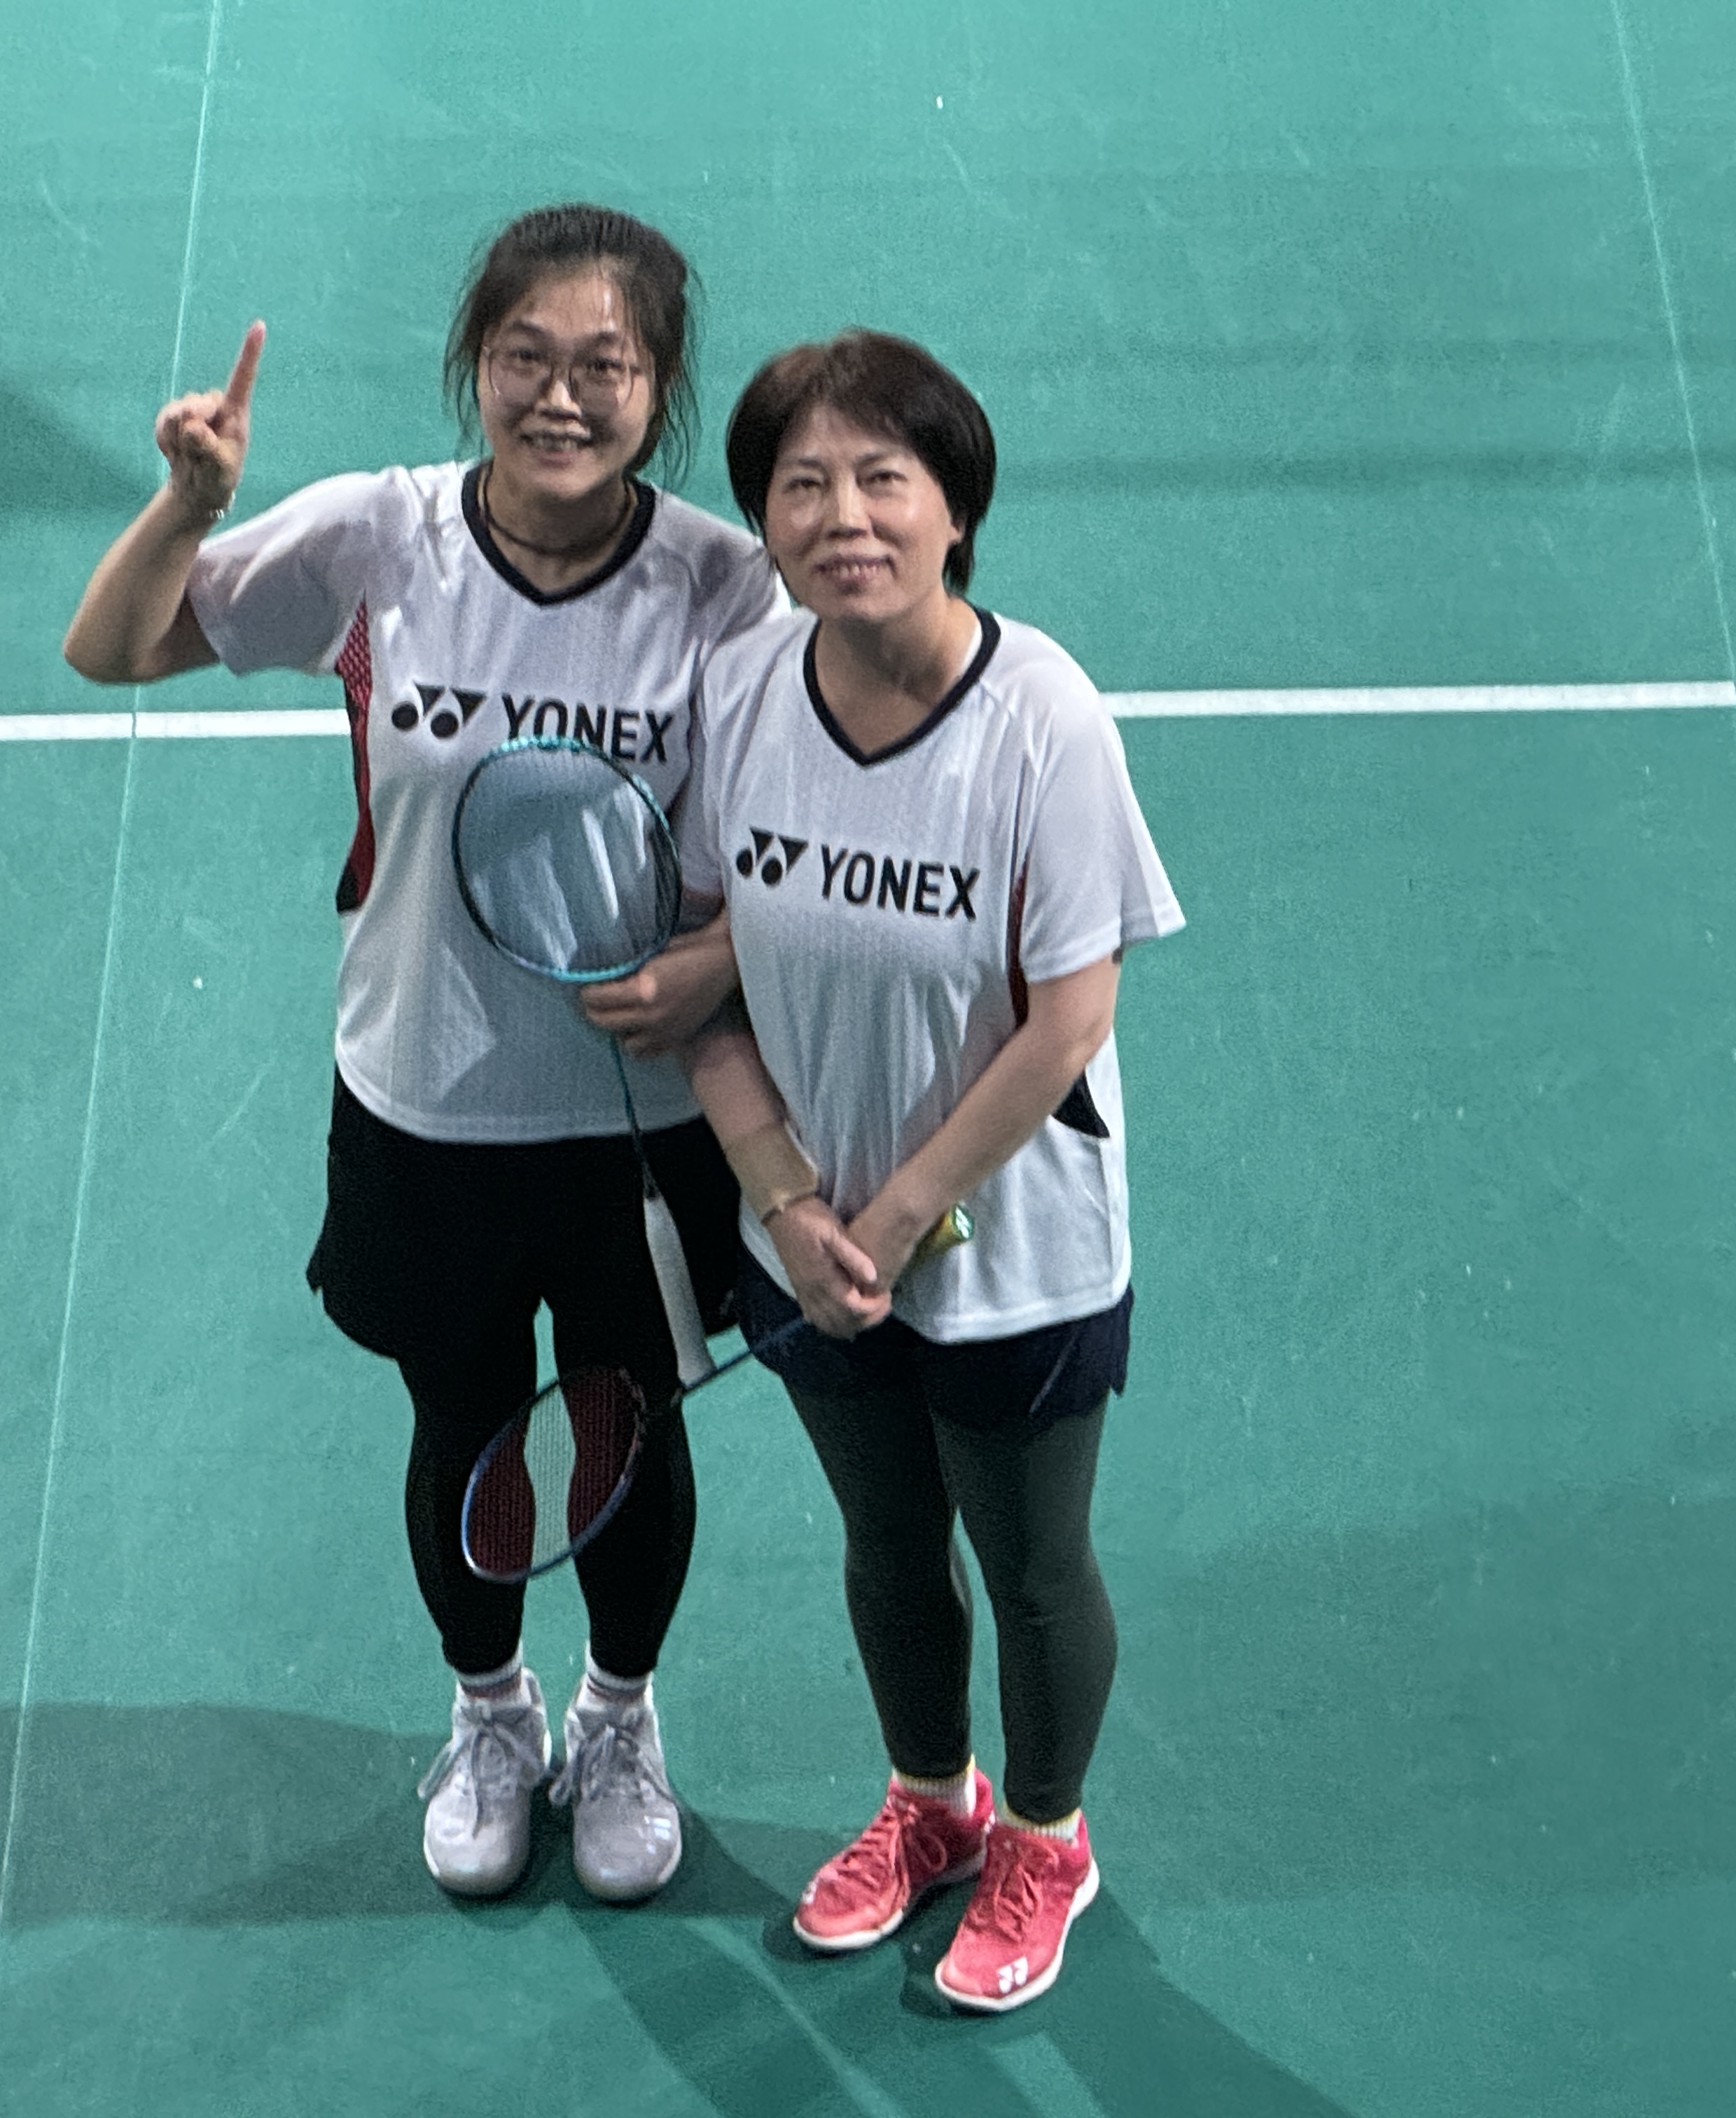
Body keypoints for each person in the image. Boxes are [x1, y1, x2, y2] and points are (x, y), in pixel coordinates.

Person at [60, 204, 779, 1903]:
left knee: (628, 1430)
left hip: (642, 1120)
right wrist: (188, 506)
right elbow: (115, 646)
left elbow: (808, 836)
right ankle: (490, 1715)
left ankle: (620, 1719)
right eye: (525, 357)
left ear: (660, 389)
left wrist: (715, 965)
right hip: (426, 1098)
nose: (561, 397)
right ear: (473, 366)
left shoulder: (724, 588)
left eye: (605, 365)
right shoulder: (378, 538)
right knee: (464, 1423)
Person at [677, 330, 1181, 2011]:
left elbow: (1070, 1016)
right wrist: (783, 1200)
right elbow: (707, 964)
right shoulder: (742, 689)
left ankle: (1044, 1836)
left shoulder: (1044, 718)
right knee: (887, 1539)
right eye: (802, 485)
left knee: (1030, 1564)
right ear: (762, 519)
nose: (844, 517)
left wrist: (892, 1217)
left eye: (882, 480)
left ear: (956, 507)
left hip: (1008, 1242)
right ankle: (931, 1804)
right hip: (809, 1237)